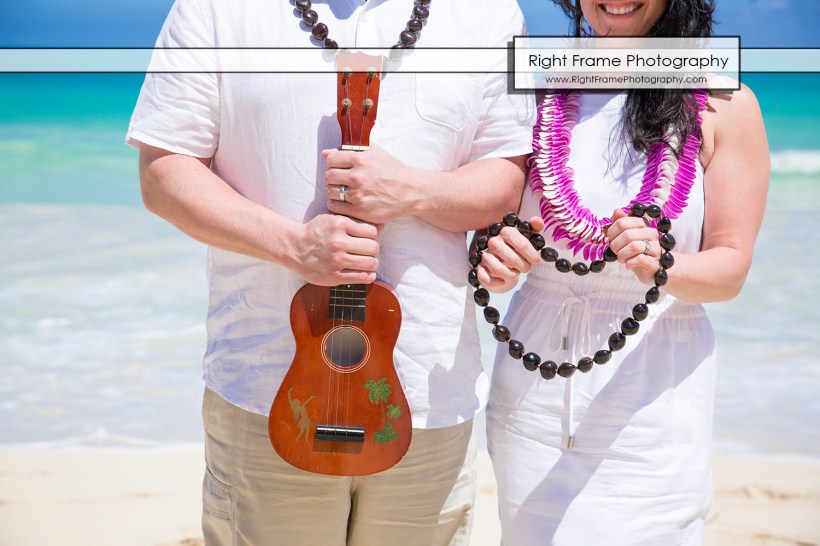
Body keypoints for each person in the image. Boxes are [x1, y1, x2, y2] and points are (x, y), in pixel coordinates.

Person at [126, 0, 533, 544]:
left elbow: (505, 180)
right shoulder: (215, 8)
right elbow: (164, 174)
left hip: (427, 398)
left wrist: (409, 191)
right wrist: (295, 245)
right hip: (267, 390)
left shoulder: (489, 13)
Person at [476, 1, 769, 544]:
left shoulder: (724, 103)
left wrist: (663, 266)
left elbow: (731, 266)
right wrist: (496, 258)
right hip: (531, 382)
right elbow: (496, 227)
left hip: (652, 389)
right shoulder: (536, 90)